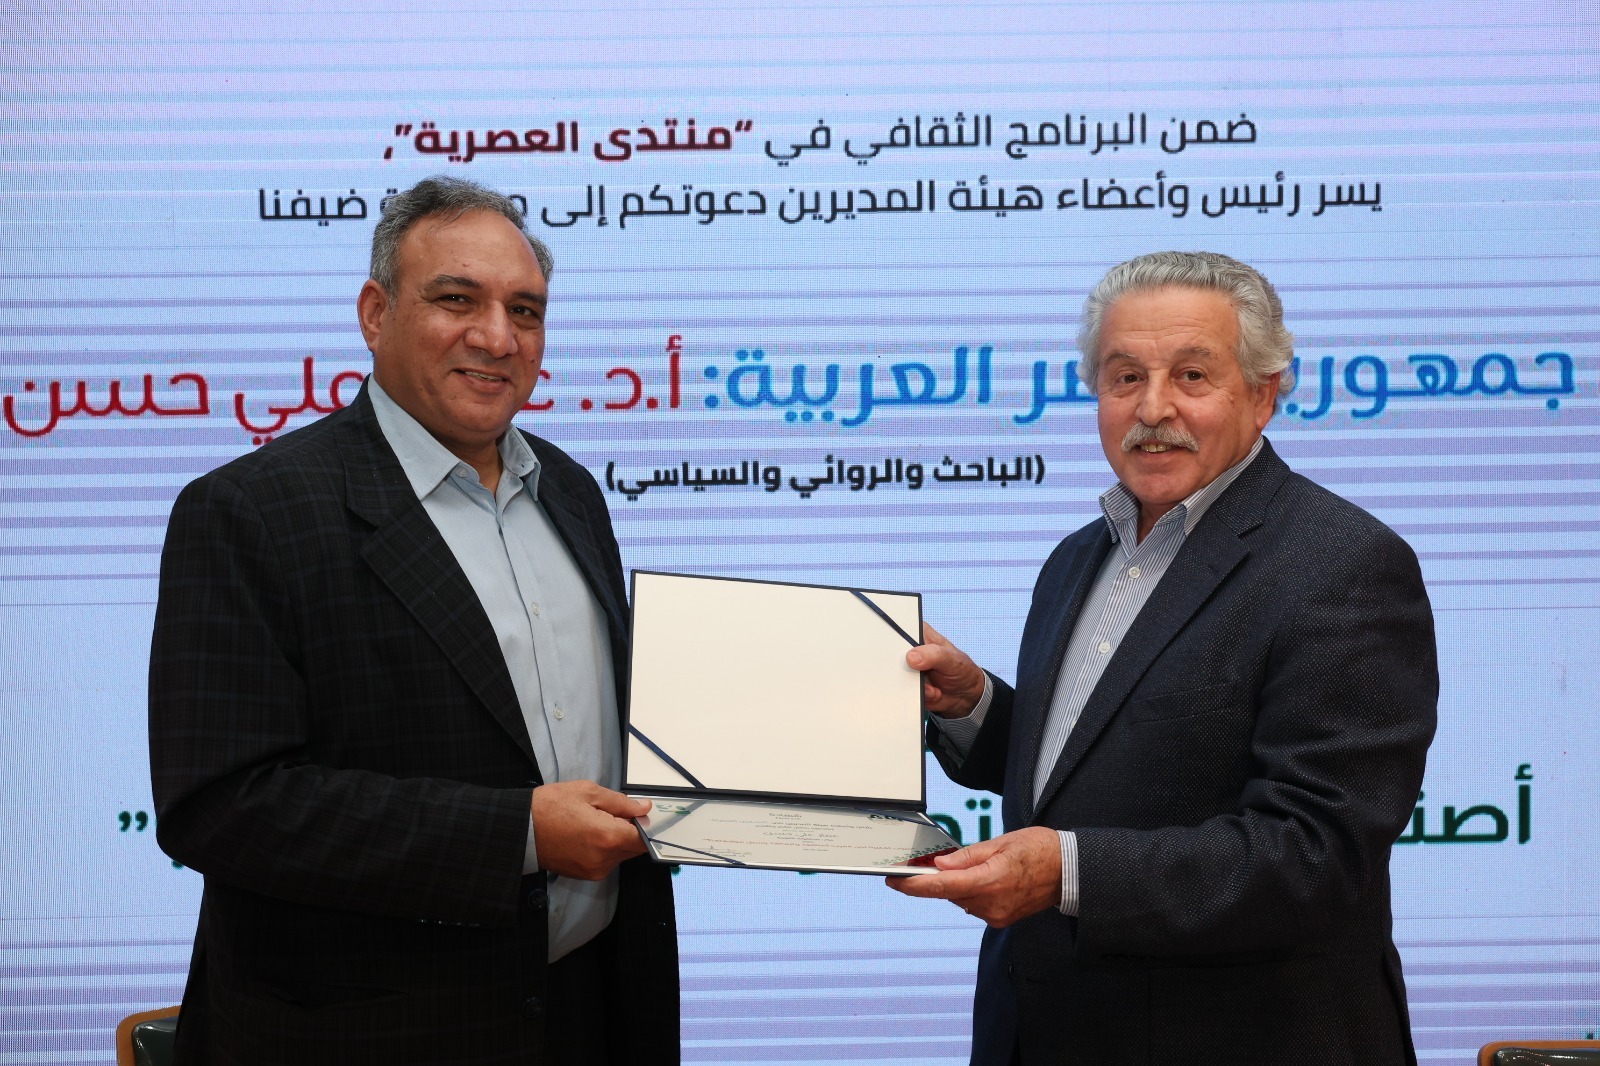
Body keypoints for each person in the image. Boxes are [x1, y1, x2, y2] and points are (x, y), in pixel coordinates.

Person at [148, 176, 677, 1065]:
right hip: (372, 1034)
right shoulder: (249, 513)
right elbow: (222, 807)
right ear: (375, 313)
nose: (497, 337)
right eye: (456, 300)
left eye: (525, 310)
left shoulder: (571, 493)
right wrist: (518, 836)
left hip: (590, 1006)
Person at [892, 251, 1436, 1065]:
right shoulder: (1079, 557)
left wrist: (1067, 871)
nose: (1153, 408)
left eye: (1191, 375)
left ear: (1262, 393)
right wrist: (974, 707)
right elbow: (1102, 772)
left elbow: (1316, 855)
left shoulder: (1342, 564)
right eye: (1125, 378)